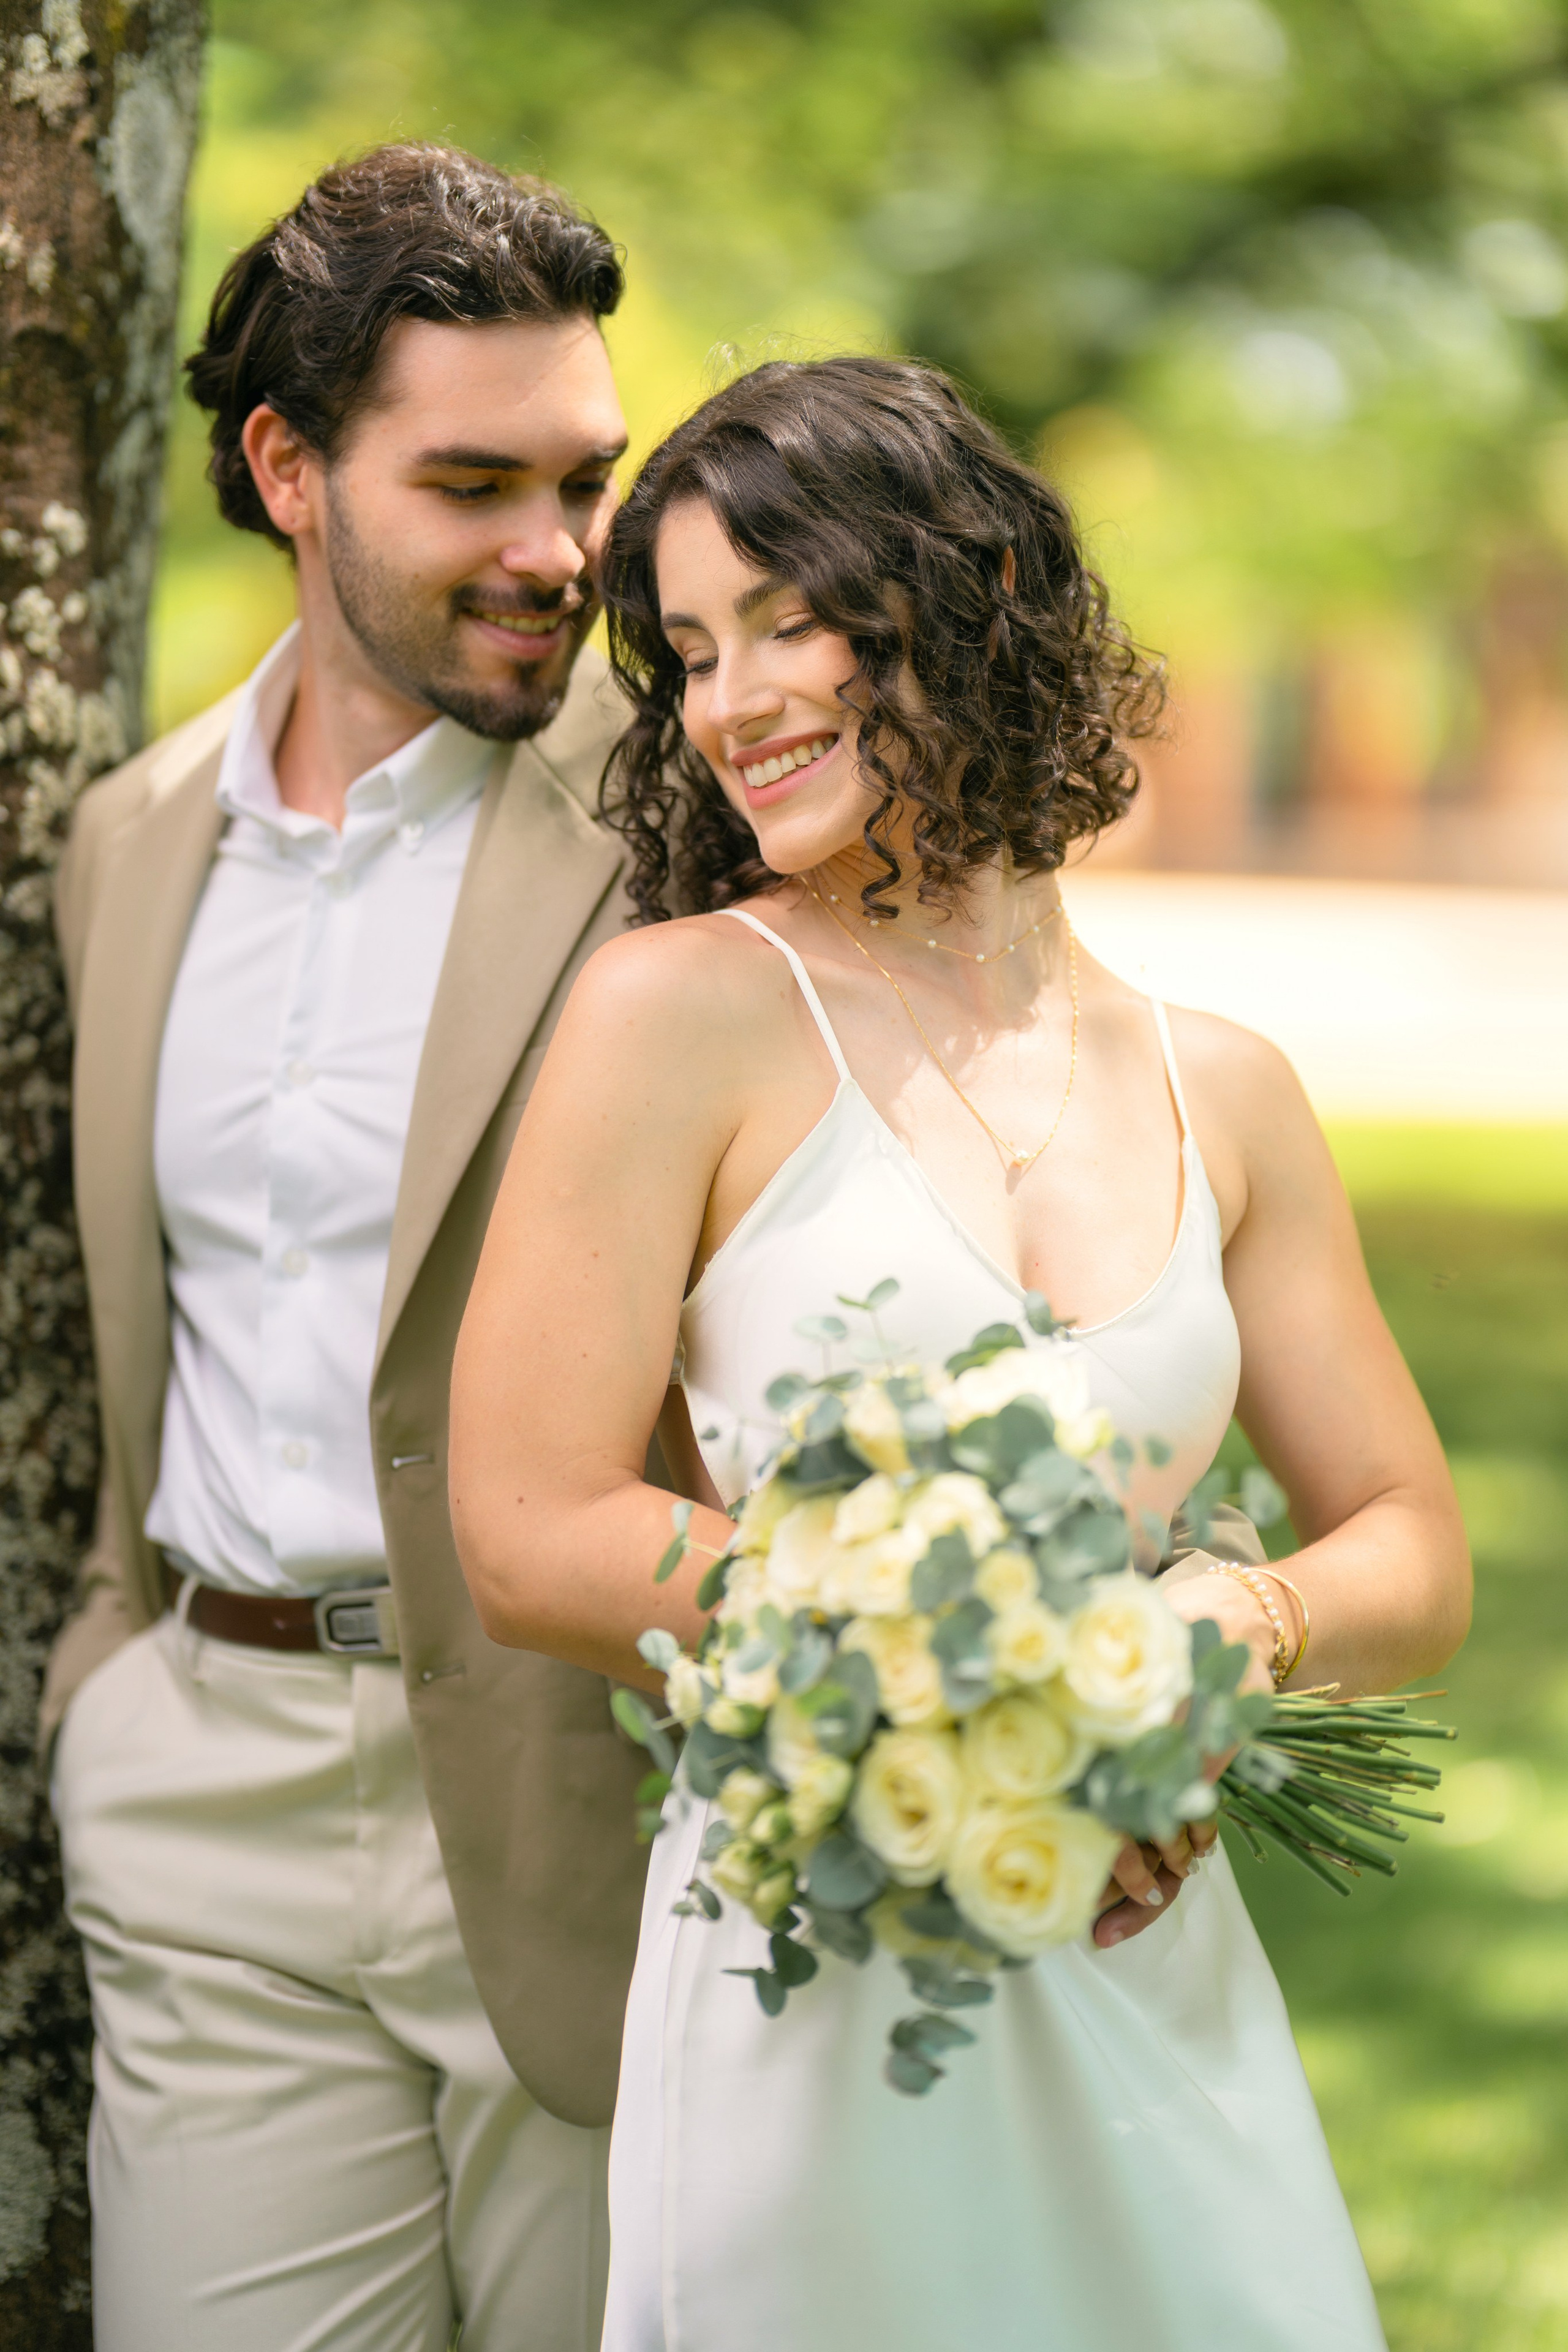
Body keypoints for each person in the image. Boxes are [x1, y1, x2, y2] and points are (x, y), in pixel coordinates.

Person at [448, 355, 1472, 2351]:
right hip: (823, 1989)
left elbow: (1413, 1541)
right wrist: (961, 1664)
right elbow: (526, 1526)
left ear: (972, 590)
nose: (730, 701)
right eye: (691, 652)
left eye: (786, 620)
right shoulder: (676, 1016)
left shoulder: (1225, 1088)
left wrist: (1223, 1627)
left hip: (1147, 1957)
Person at [45, 143, 653, 2351]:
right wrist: (112, 1683)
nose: (557, 552)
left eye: (583, 481)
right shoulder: (125, 844)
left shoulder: (692, 819)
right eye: (473, 485)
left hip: (596, 1803)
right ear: (289, 469)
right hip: (209, 1805)